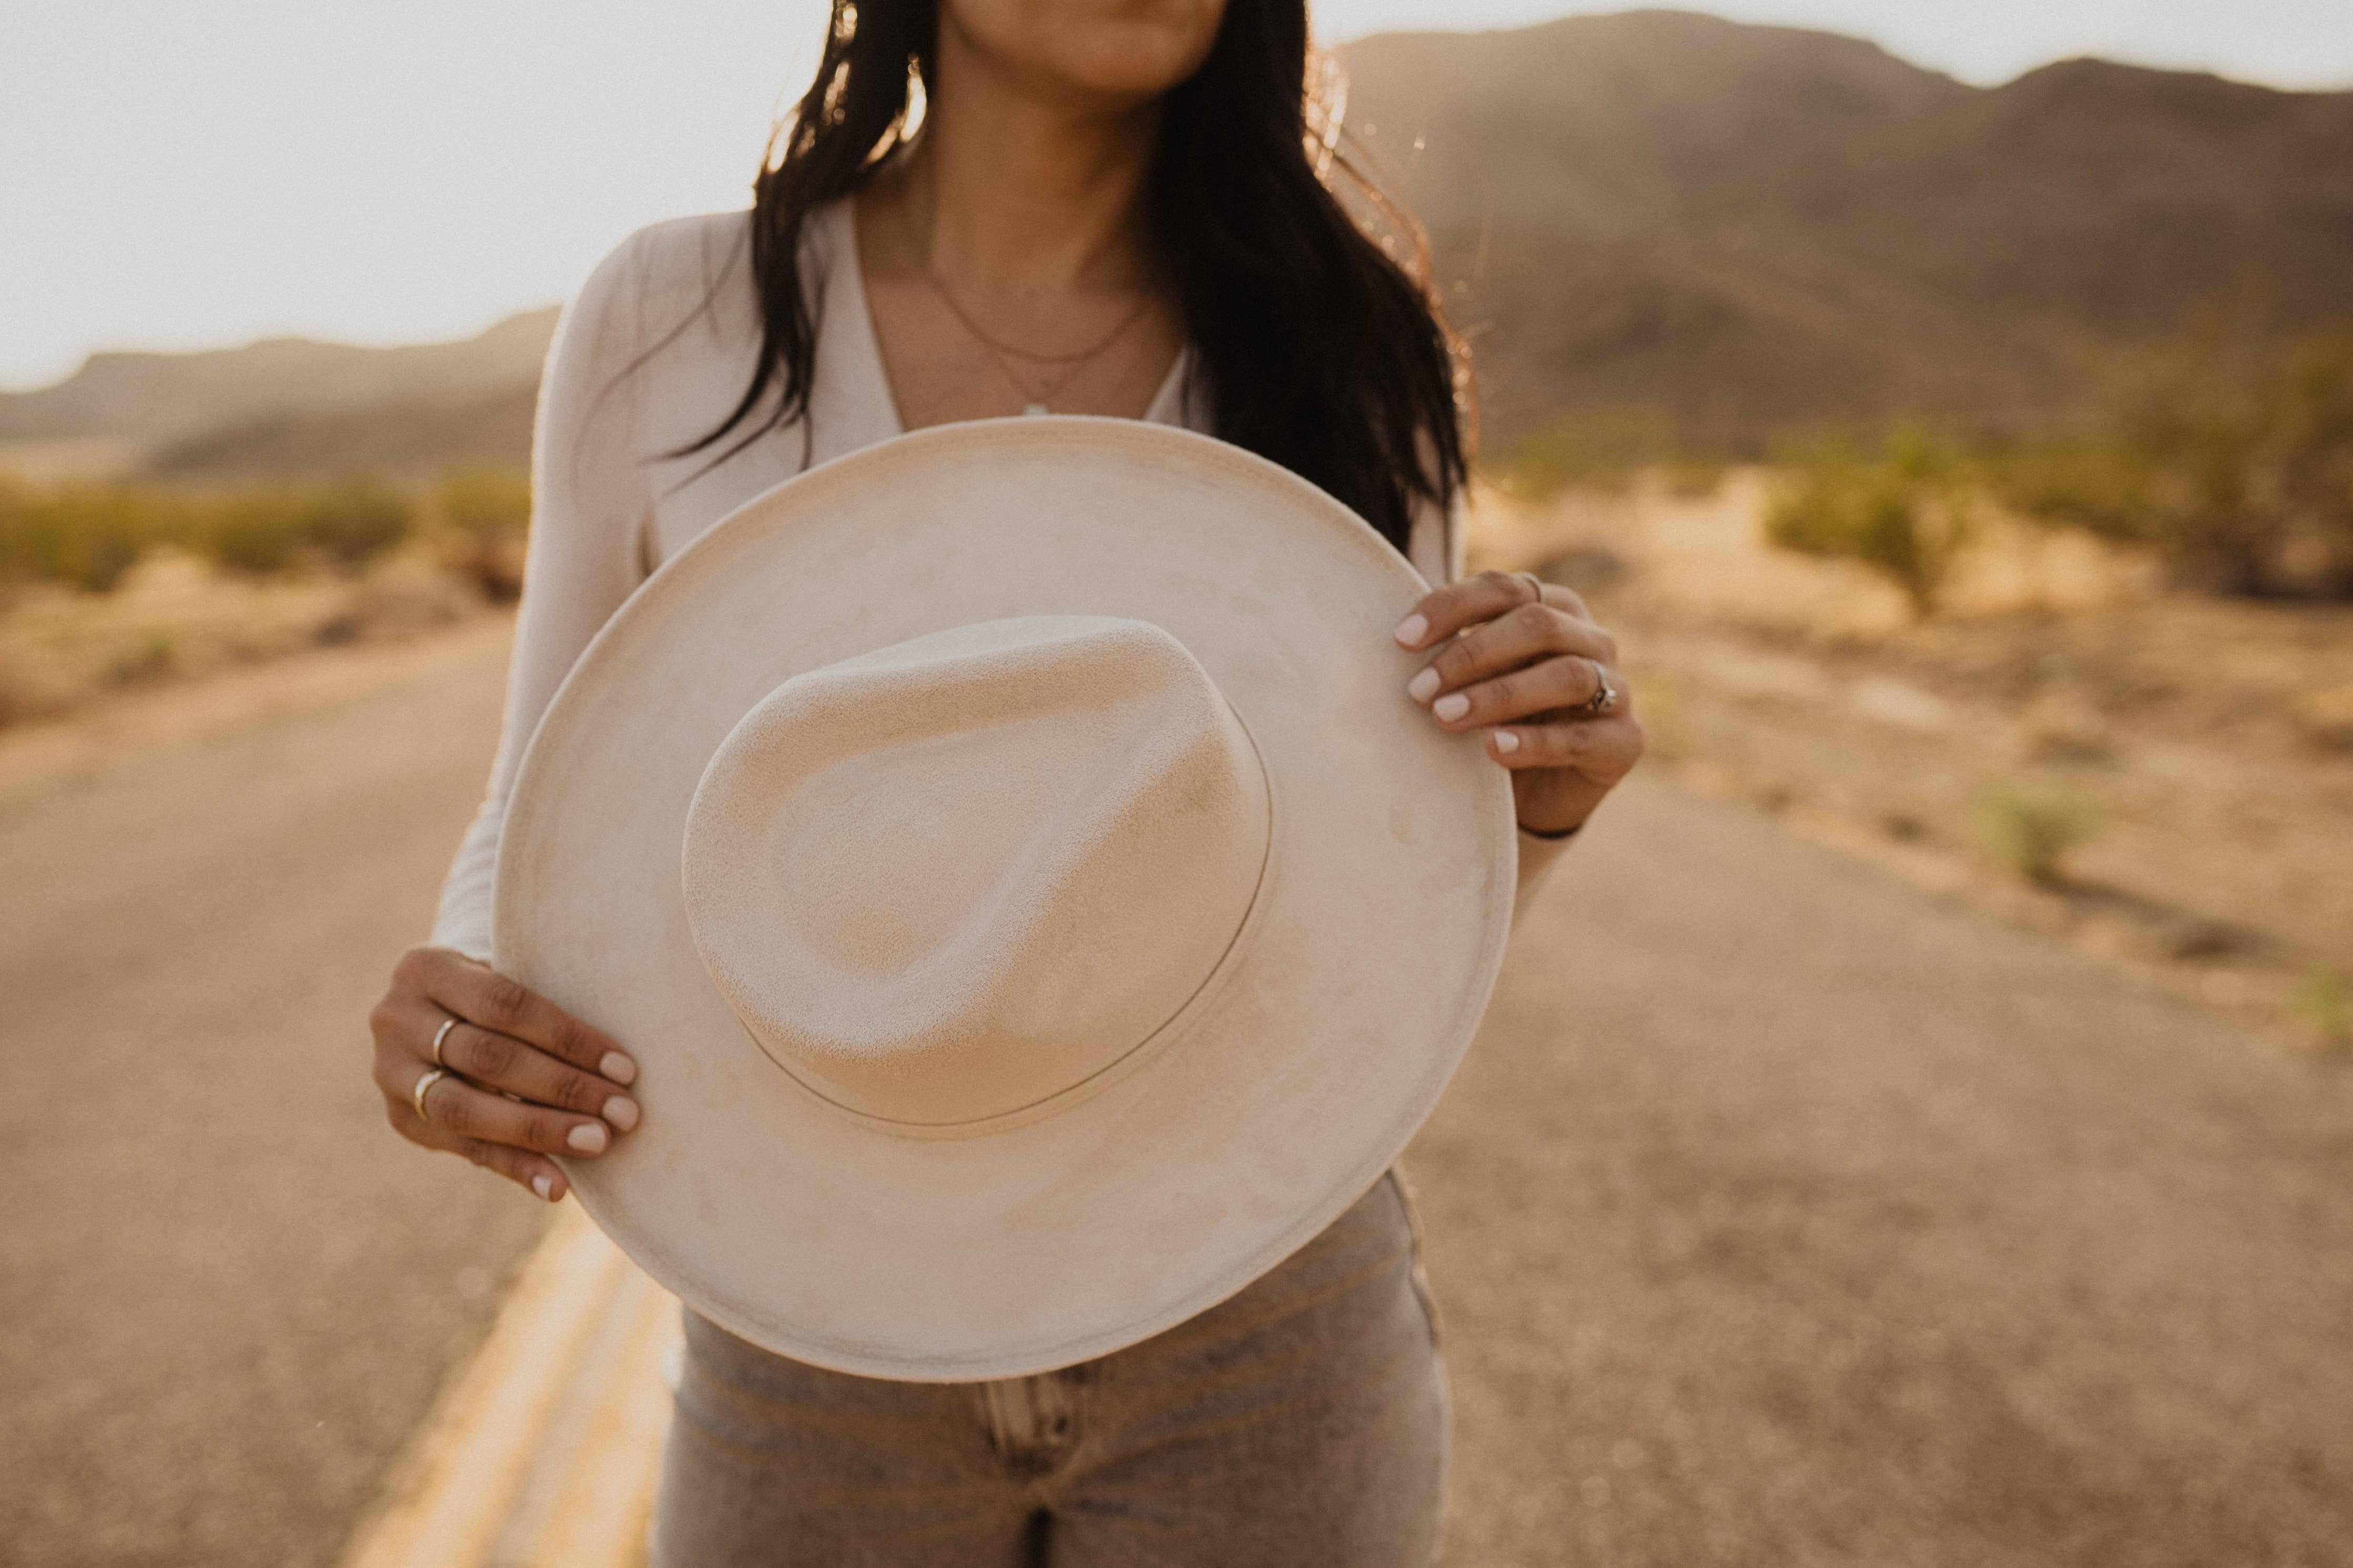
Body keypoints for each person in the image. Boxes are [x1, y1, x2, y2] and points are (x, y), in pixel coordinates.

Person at [368, 1, 1643, 1561]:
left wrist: (1535, 807)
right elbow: (546, 798)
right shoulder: (676, 311)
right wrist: (474, 1001)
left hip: (1262, 1317)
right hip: (813, 1329)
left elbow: (1381, 936)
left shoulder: (1348, 346)